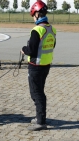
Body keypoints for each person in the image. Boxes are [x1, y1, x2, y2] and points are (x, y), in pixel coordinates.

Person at [21, 0, 56, 131]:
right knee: (39, 92)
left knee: (36, 93)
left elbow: (31, 50)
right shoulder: (51, 29)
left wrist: (24, 49)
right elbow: (52, 45)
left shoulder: (37, 30)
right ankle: (39, 117)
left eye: (33, 15)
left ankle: (41, 122)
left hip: (35, 66)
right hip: (46, 65)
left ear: (36, 14)